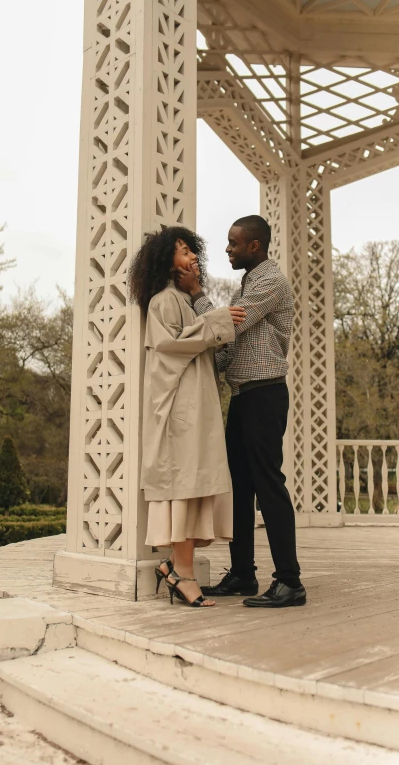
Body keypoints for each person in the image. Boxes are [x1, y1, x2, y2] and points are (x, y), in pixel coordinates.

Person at [176, 215, 306, 608]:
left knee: (269, 488)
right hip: (244, 397)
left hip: (265, 396)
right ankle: (243, 574)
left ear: (255, 246)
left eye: (234, 243)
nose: (228, 249)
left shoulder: (269, 282)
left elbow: (228, 329)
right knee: (239, 490)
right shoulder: (247, 284)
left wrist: (197, 292)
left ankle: (290, 581)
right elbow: (228, 351)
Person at [129, 226, 246, 608]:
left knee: (196, 487)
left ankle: (176, 569)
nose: (192, 257)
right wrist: (216, 321)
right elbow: (170, 347)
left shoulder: (182, 299)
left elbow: (203, 339)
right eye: (182, 252)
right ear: (167, 262)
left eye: (192, 251)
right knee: (184, 487)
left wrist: (210, 316)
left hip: (197, 407)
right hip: (182, 409)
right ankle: (182, 573)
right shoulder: (164, 301)